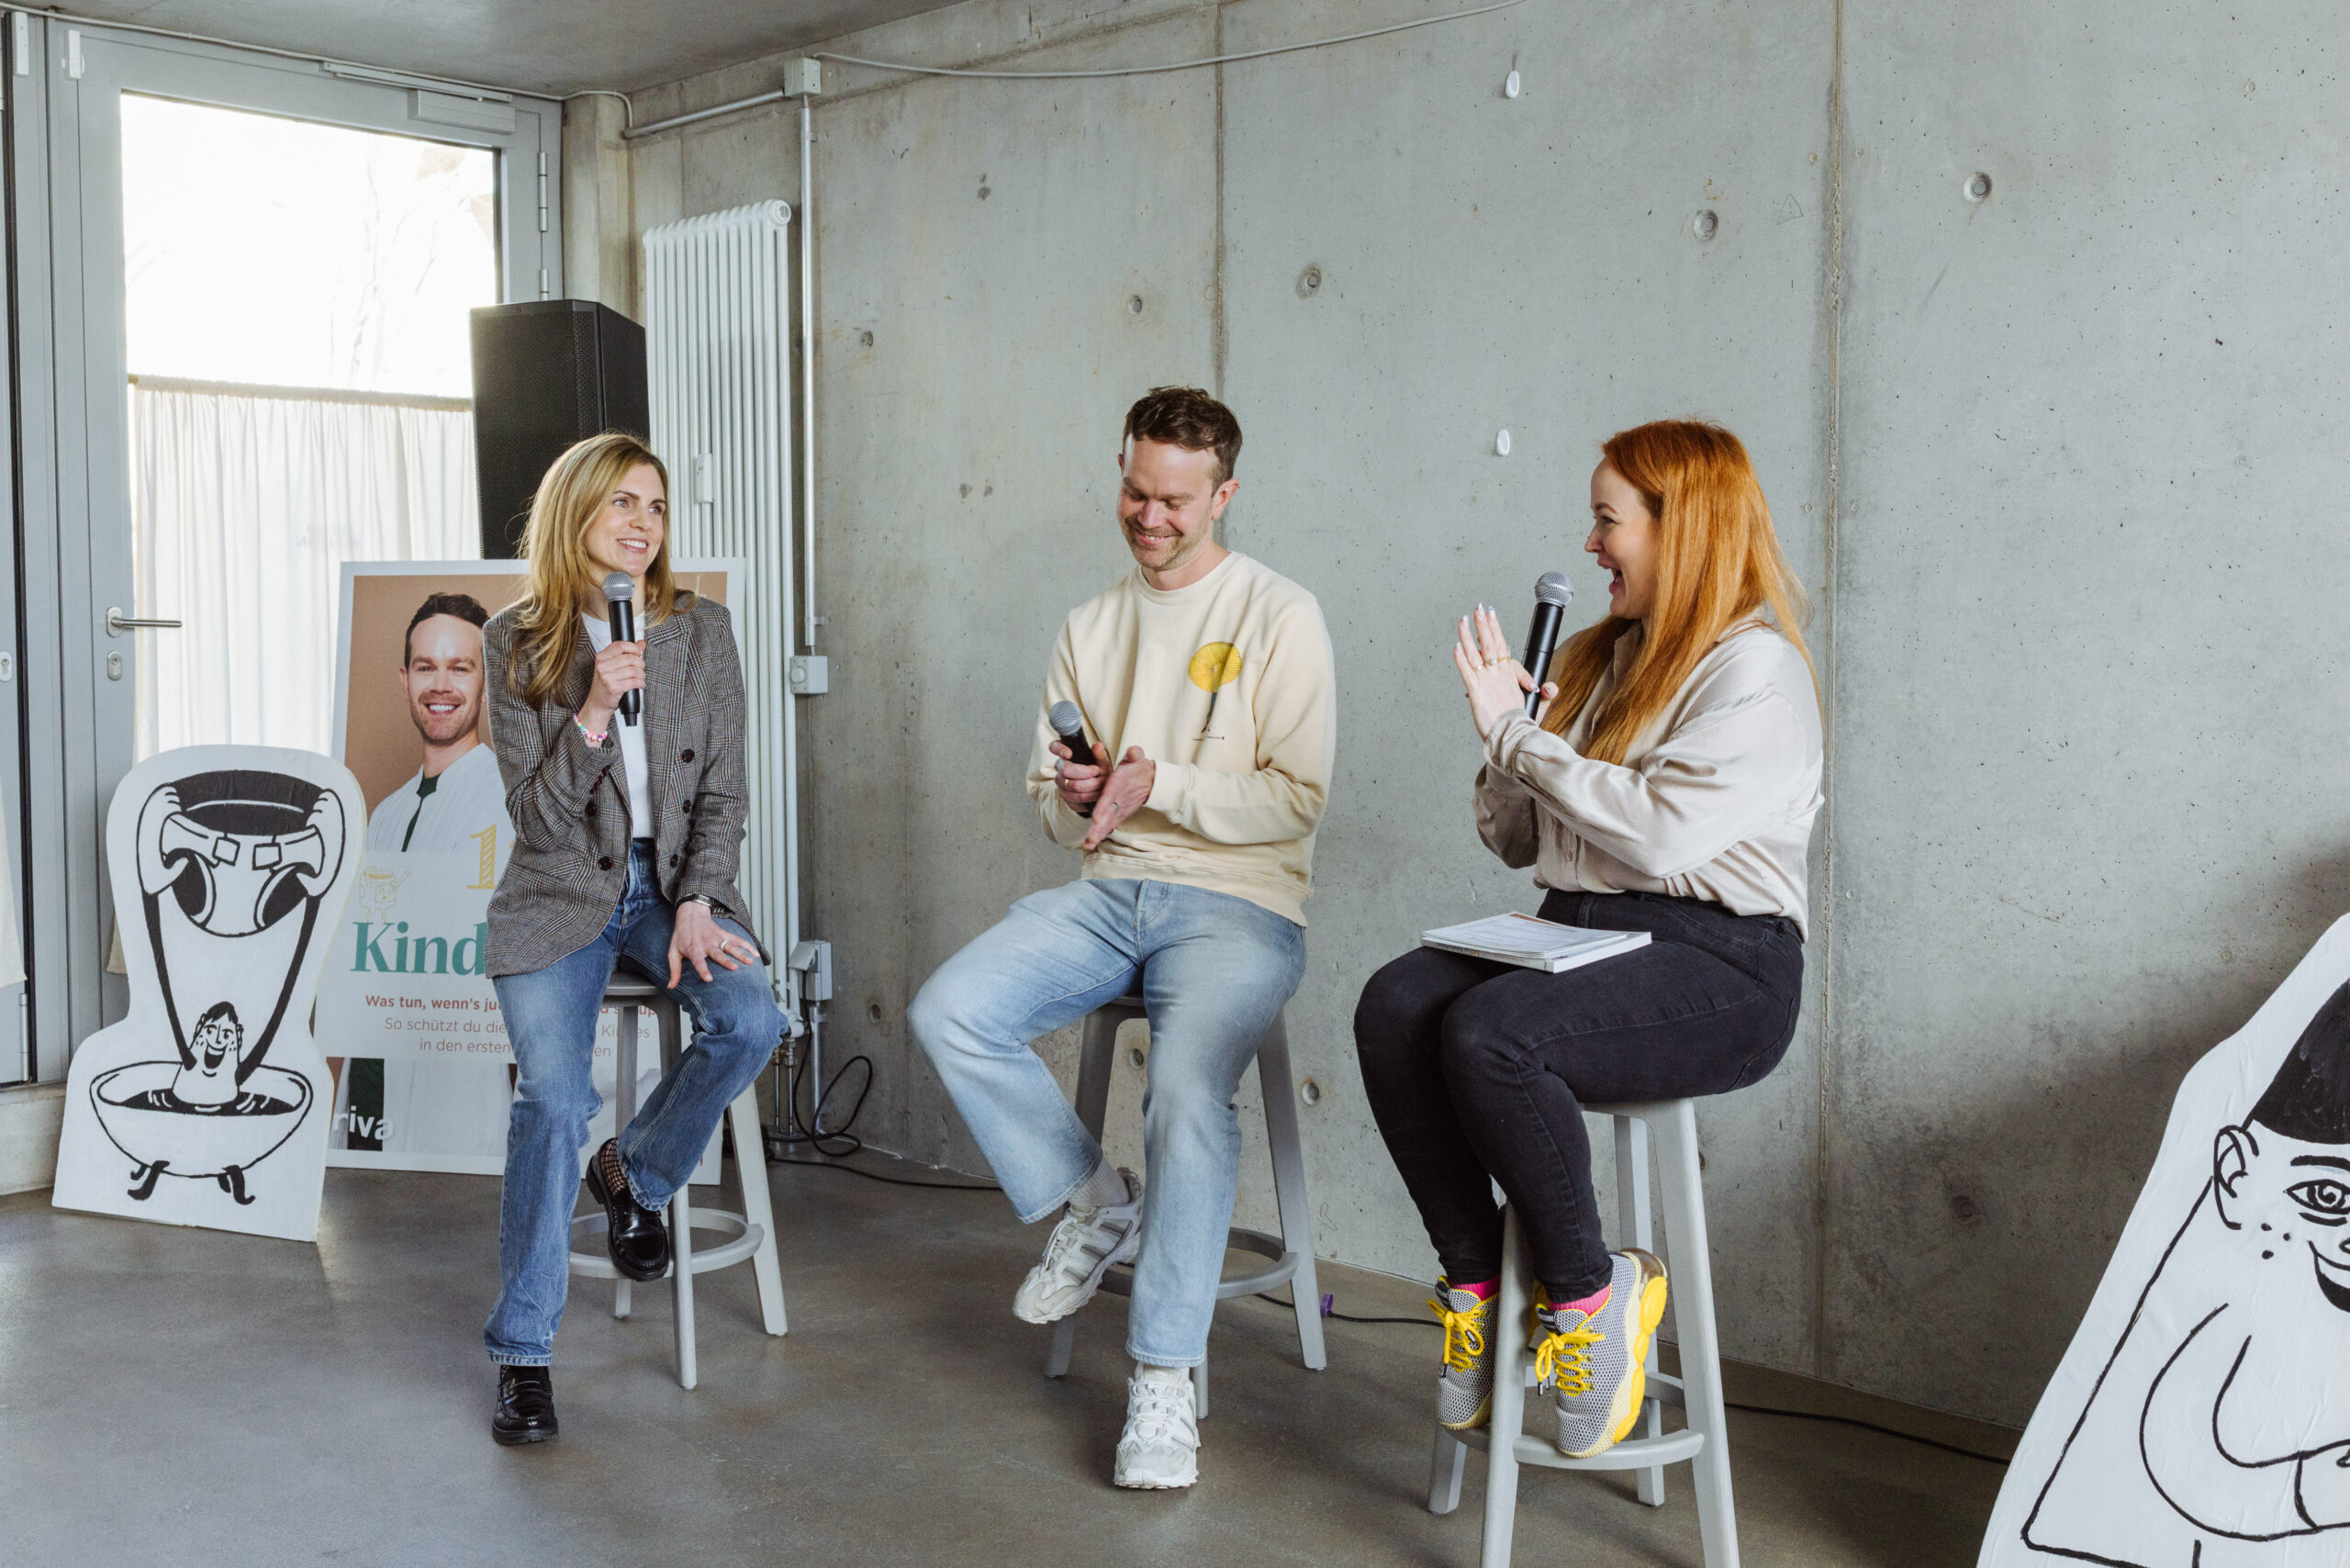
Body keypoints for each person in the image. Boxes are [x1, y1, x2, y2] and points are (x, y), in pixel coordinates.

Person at [1354, 420, 1820, 1462]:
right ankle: (1478, 1284)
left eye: (1609, 520)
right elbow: (1520, 844)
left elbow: (1658, 833)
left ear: (1679, 526)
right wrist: (1509, 748)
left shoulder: (1757, 673)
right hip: (1580, 928)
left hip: (1722, 961)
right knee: (1394, 1004)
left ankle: (1588, 1297)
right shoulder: (1605, 656)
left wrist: (1518, 738)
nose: (1591, 543)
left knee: (1493, 1034)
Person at [907, 386, 1337, 1490]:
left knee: (1185, 1089)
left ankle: (1161, 1376)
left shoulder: (1280, 613)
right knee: (950, 1009)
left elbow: (1298, 797)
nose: (1151, 517)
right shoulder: (1088, 627)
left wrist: (1163, 784)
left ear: (1223, 495)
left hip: (1240, 902)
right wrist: (1078, 796)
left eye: (1176, 501)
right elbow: (1053, 811)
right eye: (1136, 493)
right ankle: (1100, 1202)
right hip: (1109, 892)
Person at [476, 431, 790, 1446]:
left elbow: (725, 790)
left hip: (672, 890)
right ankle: (524, 1356)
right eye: (622, 502)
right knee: (552, 1098)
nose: (643, 523)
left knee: (751, 1019)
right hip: (560, 892)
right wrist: (597, 707)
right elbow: (539, 821)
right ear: (576, 513)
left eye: (654, 505)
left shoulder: (702, 631)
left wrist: (700, 899)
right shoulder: (515, 641)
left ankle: (635, 1173)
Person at [2021, 980, 2350, 1563]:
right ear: (2237, 1172)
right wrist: (2310, 1492)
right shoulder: (2235, 1288)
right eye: (2326, 1196)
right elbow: (2183, 1463)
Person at [332, 592, 513, 1159]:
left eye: (460, 667)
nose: (441, 685)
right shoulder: (385, 815)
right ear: (404, 679)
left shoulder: (506, 802)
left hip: (454, 1081)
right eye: (425, 667)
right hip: (372, 1073)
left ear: (488, 681)